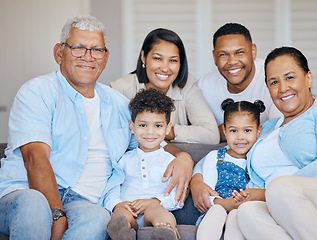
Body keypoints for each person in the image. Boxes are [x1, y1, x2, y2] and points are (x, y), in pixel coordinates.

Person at [0, 16, 193, 240]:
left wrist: (183, 157)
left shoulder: (119, 104)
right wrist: (56, 214)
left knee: (99, 220)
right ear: (59, 53)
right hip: (26, 193)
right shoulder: (37, 92)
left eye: (96, 50)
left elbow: (146, 144)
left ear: (105, 57)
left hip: (86, 201)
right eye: (78, 48)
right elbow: (35, 159)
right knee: (34, 204)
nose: (88, 57)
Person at [233, 46, 317, 240]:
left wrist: (268, 193)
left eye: (290, 77)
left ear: (308, 78)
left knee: (280, 189)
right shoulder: (267, 128)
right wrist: (198, 174)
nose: (283, 88)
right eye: (274, 82)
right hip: (286, 202)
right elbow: (230, 151)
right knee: (246, 212)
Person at [110, 28, 219, 144]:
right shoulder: (121, 89)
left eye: (173, 60)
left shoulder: (187, 85)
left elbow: (211, 135)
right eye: (157, 58)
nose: (165, 68)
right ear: (144, 57)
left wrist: (162, 131)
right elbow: (114, 137)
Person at [105, 89, 181, 240]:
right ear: (132, 126)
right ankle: (122, 231)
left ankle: (165, 231)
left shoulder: (170, 161)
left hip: (155, 209)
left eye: (158, 126)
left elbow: (177, 195)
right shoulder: (124, 159)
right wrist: (117, 204)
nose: (150, 132)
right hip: (129, 208)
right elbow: (111, 188)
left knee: (158, 211)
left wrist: (154, 201)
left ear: (168, 128)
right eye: (143, 125)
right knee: (121, 215)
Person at [198, 23, 281, 142]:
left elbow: (279, 130)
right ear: (214, 57)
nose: (232, 61)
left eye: (239, 52)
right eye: (223, 54)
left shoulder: (274, 78)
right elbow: (199, 133)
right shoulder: (204, 86)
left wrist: (223, 132)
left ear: (253, 52)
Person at [196, 99, 264, 240]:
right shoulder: (215, 157)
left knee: (236, 215)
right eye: (233, 130)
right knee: (217, 210)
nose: (240, 137)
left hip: (245, 212)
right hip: (217, 207)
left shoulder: (260, 159)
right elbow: (208, 193)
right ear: (224, 131)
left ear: (258, 131)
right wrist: (225, 203)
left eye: (247, 130)